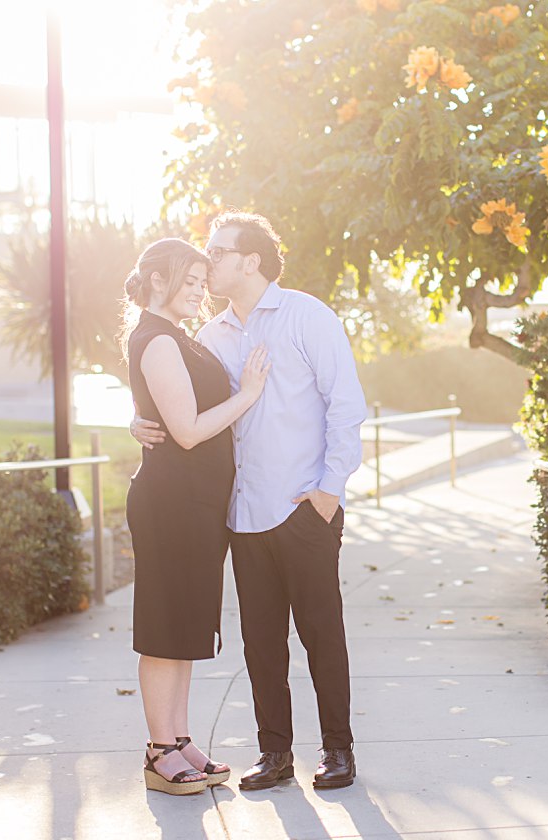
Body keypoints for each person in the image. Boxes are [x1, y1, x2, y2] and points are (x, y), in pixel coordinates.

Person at [132, 212, 367, 790]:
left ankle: (338, 750)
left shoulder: (307, 316)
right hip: (241, 514)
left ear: (251, 260)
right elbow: (178, 400)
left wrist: (328, 493)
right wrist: (137, 419)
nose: (207, 264)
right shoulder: (208, 337)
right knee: (261, 644)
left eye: (217, 252)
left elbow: (346, 406)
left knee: (322, 637)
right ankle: (275, 755)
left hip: (304, 507)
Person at [120, 238, 271, 796]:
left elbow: (158, 407)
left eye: (200, 281)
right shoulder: (156, 338)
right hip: (171, 505)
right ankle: (159, 750)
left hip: (197, 505)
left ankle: (179, 739)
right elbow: (185, 430)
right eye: (188, 280)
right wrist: (249, 394)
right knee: (165, 627)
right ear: (158, 280)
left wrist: (134, 418)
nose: (197, 290)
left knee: (185, 625)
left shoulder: (176, 338)